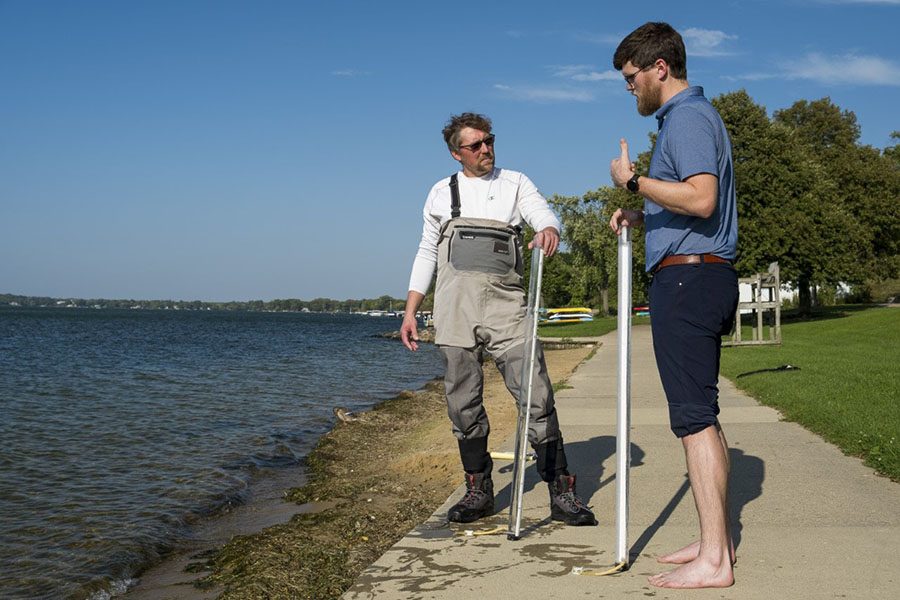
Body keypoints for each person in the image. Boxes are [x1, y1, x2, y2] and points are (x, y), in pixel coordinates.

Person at [400, 112, 596, 528]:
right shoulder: (441, 192)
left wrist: (548, 230)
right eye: (475, 145)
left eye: (489, 141)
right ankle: (478, 489)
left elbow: (544, 214)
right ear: (457, 154)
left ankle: (561, 490)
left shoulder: (516, 183)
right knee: (462, 402)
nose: (486, 149)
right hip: (454, 306)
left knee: (535, 392)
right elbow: (425, 253)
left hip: (507, 304)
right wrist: (411, 310)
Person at [608, 22, 739, 588]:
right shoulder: (690, 119)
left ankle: (716, 560)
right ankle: (716, 543)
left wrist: (634, 182)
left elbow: (702, 198)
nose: (630, 88)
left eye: (631, 78)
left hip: (689, 284)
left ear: (659, 68)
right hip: (698, 276)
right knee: (702, 415)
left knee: (692, 421)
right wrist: (647, 215)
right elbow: (688, 203)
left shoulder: (685, 119)